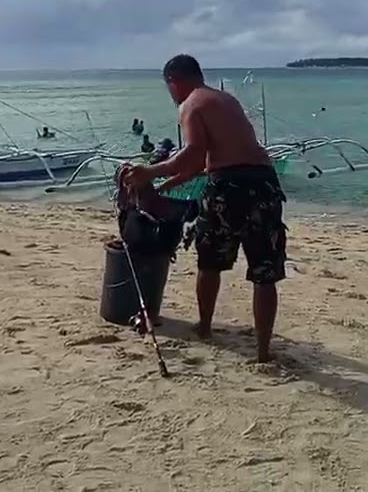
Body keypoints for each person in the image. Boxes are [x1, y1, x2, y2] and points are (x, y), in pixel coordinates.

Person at [123, 54, 287, 363]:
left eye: (169, 88)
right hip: (264, 184)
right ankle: (264, 351)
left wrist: (148, 173)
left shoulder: (190, 104)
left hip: (229, 189)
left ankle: (205, 327)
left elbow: (193, 154)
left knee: (209, 260)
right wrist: (168, 184)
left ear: (174, 81)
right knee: (265, 271)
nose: (171, 95)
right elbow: (210, 160)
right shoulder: (225, 100)